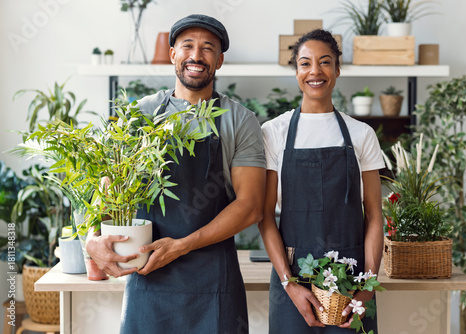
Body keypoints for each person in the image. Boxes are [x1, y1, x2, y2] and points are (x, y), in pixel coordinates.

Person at [86, 14, 266, 334]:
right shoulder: (139, 116)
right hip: (148, 280)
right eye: (188, 46)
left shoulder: (240, 120)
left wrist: (181, 245)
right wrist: (91, 240)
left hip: (214, 286)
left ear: (220, 60)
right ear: (173, 55)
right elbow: (108, 184)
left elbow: (250, 205)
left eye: (208, 48)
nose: (196, 56)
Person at [258, 29, 385, 333]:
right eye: (305, 63)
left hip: (352, 278)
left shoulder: (361, 134)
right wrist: (288, 283)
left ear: (337, 70)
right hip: (292, 276)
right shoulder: (274, 133)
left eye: (325, 62)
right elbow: (264, 217)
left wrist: (367, 286)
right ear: (296, 71)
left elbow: (375, 216)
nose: (315, 71)